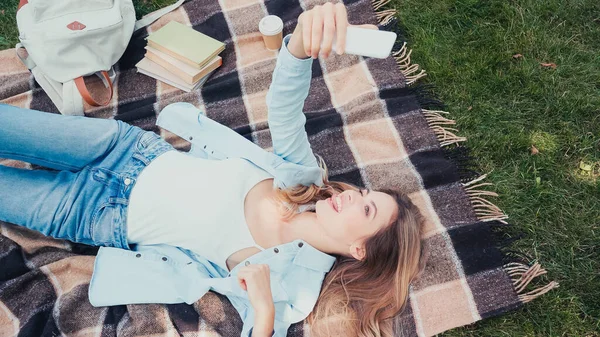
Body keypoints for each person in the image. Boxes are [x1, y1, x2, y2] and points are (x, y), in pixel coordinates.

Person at [0, 2, 426, 337]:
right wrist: (298, 46)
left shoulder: (293, 284)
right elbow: (284, 110)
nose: (352, 194)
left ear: (359, 250)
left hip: (94, 214)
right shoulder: (304, 182)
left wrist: (261, 312)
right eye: (367, 193)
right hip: (125, 150)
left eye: (367, 210)